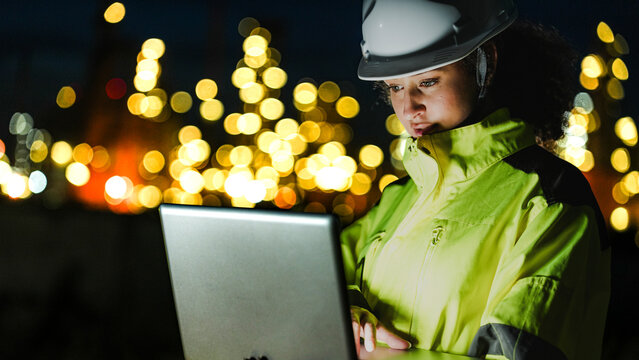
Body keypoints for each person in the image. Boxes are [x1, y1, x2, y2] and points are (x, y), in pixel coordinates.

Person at [340, 0, 611, 359]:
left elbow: (519, 351)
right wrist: (344, 311)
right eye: (395, 87)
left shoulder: (551, 198)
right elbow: (315, 278)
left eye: (428, 81)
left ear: (485, 64)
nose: (409, 108)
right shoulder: (399, 198)